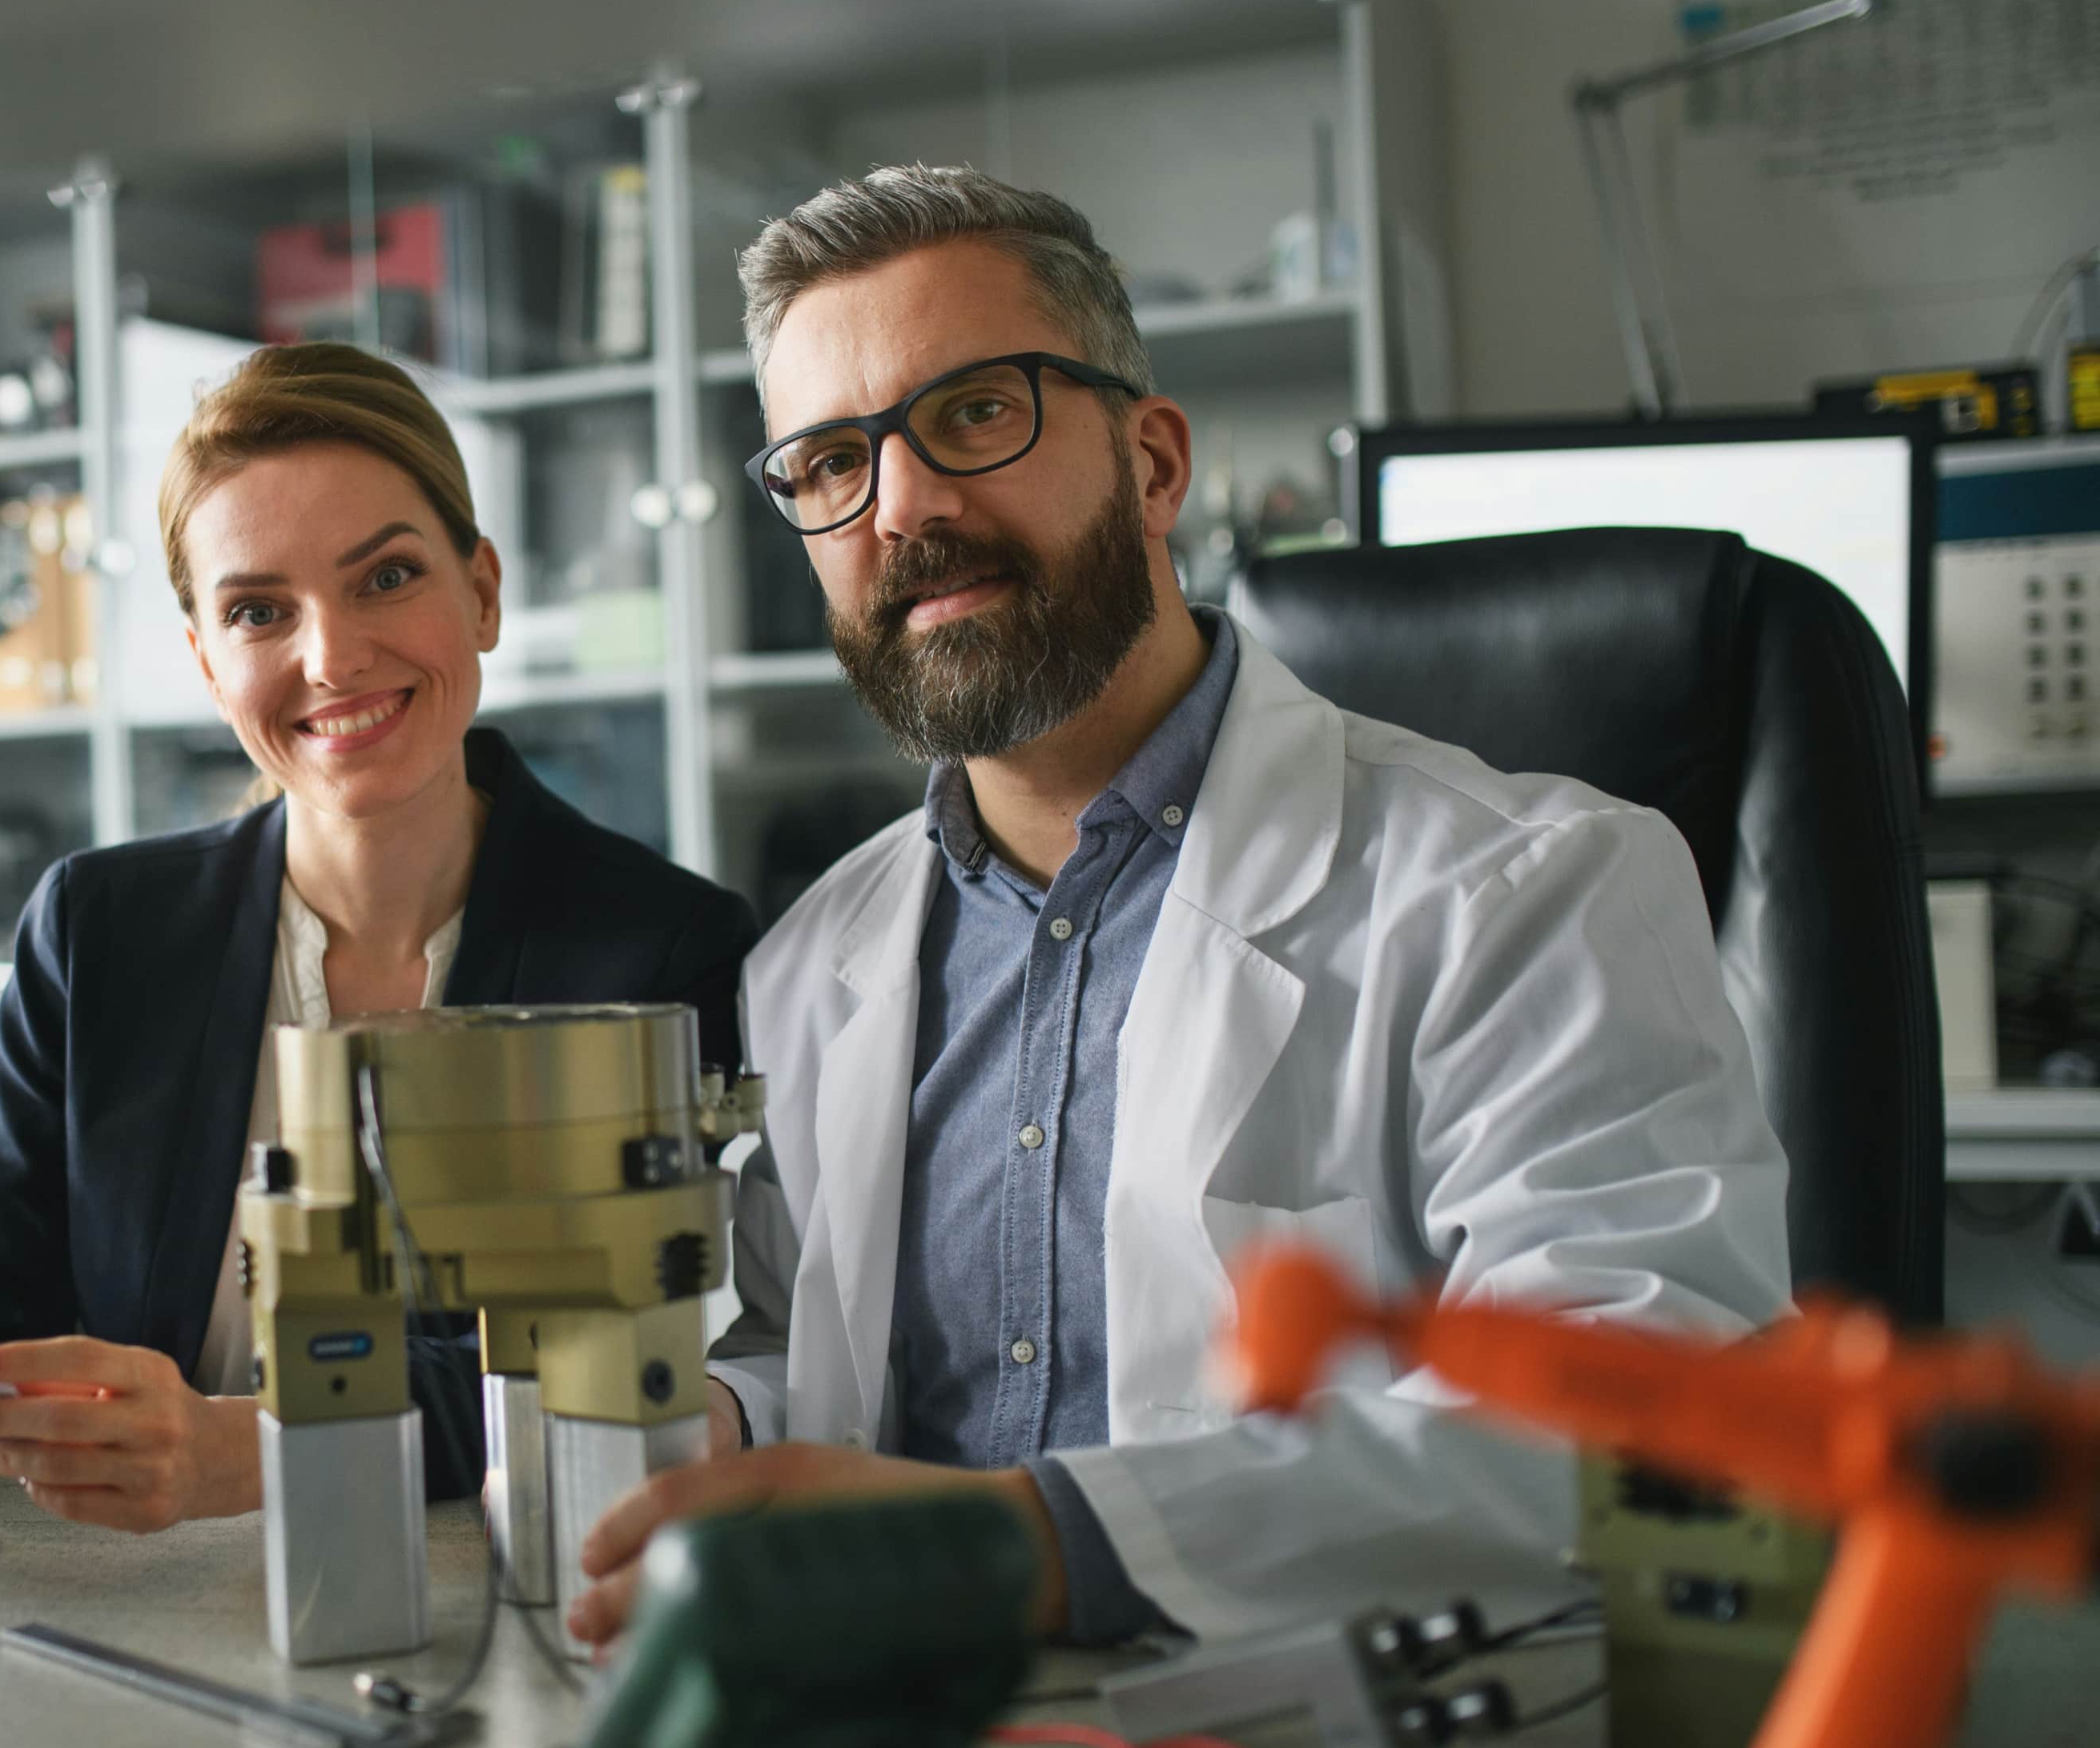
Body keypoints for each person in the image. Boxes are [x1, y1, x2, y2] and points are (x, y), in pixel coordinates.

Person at [569, 166, 1790, 1650]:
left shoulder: (1529, 889)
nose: (904, 509)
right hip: (898, 1733)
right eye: (831, 463)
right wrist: (718, 1423)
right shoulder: (814, 959)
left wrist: (1034, 1545)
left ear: (1152, 464)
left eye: (973, 414)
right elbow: (797, 1346)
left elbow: (1650, 1409)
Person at [0, 342, 758, 1527]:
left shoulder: (662, 952)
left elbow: (624, 1386)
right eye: (261, 610)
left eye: (386, 577)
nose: (331, 656)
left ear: (482, 592)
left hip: (499, 1619)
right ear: (209, 661)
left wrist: (258, 1451)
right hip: (123, 1608)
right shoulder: (100, 928)